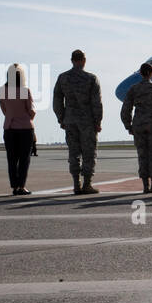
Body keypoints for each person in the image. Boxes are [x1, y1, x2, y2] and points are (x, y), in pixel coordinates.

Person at [53, 48, 103, 194]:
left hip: (70, 120)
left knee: (73, 153)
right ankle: (87, 184)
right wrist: (98, 121)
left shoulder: (63, 78)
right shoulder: (91, 78)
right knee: (89, 153)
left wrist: (61, 118)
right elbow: (96, 103)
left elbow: (57, 101)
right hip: (87, 121)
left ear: (72, 60)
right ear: (84, 61)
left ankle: (76, 183)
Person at [120, 62, 152, 193]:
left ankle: (145, 186)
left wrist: (128, 126)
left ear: (141, 73)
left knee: (142, 155)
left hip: (139, 125)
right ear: (151, 73)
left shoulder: (133, 89)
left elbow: (125, 110)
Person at [0, 63, 36, 194]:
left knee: (12, 158)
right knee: (24, 159)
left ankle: (14, 186)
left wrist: (11, 116)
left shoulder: (2, 90)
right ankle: (21, 186)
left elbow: (3, 109)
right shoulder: (25, 90)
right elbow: (31, 110)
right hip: (25, 127)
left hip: (9, 127)